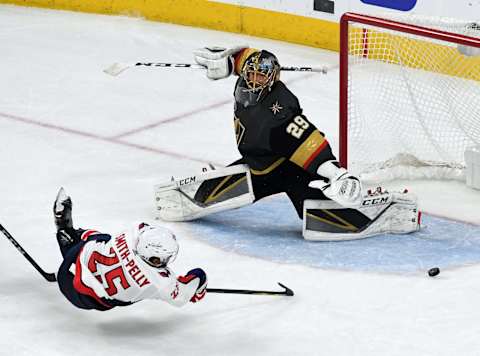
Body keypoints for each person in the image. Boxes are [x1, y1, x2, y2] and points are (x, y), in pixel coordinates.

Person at [154, 47, 420, 241]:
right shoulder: (245, 83)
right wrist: (231, 59)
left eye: (261, 76)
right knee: (212, 192)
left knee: (320, 221)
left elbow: (307, 142)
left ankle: (390, 211)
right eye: (251, 74)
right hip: (260, 166)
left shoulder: (279, 111)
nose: (254, 79)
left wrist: (336, 172)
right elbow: (248, 57)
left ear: (272, 79)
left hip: (291, 169)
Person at [53, 188, 207, 311]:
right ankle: (69, 236)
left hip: (77, 258)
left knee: (102, 239)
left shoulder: (133, 232)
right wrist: (198, 283)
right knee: (131, 292)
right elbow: (183, 295)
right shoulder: (160, 282)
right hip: (84, 298)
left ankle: (67, 232)